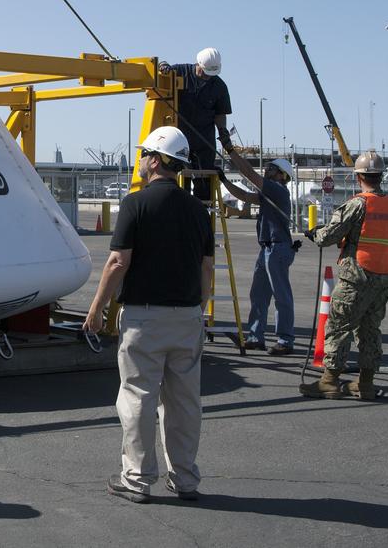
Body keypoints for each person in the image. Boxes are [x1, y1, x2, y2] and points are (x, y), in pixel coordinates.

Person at [84, 126, 214, 504]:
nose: (139, 161)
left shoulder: (135, 204)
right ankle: (186, 478)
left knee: (139, 398)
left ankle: (138, 480)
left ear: (155, 160)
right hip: (188, 317)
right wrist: (199, 309)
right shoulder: (197, 210)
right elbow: (207, 267)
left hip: (145, 319)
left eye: (143, 154)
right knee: (185, 402)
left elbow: (117, 262)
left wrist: (97, 309)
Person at [299, 151, 388, 401]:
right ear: (380, 176)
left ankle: (329, 381)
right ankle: (365, 383)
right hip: (383, 275)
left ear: (359, 177)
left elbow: (328, 236)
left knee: (339, 326)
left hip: (357, 275)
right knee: (370, 329)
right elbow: (369, 235)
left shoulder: (358, 203)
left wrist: (316, 234)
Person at [219, 149, 299, 355]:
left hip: (277, 248)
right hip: (267, 249)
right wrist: (224, 181)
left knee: (282, 296)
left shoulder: (278, 190)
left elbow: (249, 174)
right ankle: (256, 337)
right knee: (259, 295)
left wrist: (230, 151)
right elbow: (245, 195)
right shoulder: (269, 193)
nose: (267, 170)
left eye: (272, 169)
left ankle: (285, 340)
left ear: (282, 175)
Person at [159, 48, 231, 201]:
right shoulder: (180, 71)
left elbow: (220, 114)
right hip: (178, 139)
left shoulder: (219, 87)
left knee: (204, 181)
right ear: (198, 64)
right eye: (205, 72)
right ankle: (179, 210)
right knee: (177, 176)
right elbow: (161, 72)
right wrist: (163, 66)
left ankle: (203, 214)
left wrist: (223, 134)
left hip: (204, 140)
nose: (207, 77)